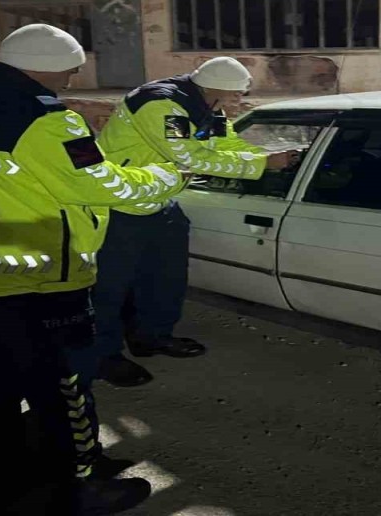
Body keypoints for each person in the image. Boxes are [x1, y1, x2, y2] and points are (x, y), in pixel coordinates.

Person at [0, 24, 187, 515]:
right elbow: (100, 186)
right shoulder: (46, 120)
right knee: (65, 387)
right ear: (44, 65)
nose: (72, 77)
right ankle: (80, 486)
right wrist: (165, 176)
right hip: (42, 277)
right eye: (70, 67)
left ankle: (5, 464)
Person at [94, 57, 303, 386]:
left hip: (160, 201)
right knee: (110, 287)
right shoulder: (160, 106)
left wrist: (266, 157)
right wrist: (261, 166)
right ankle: (102, 356)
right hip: (121, 205)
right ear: (214, 89)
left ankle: (153, 337)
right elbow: (189, 156)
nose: (239, 102)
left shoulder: (207, 107)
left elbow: (225, 144)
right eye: (235, 96)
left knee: (166, 277)